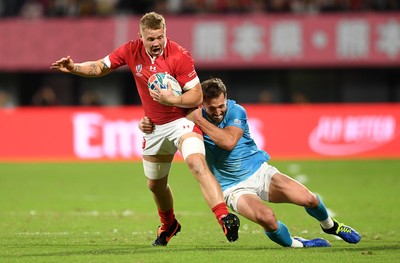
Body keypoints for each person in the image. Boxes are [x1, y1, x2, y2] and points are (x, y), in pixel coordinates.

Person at [50, 12, 239, 246]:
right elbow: (100, 67)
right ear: (141, 37)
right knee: (155, 185)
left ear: (165, 33)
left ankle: (223, 216)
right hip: (154, 127)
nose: (156, 43)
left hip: (183, 121)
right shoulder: (131, 50)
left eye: (160, 37)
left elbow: (196, 95)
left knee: (196, 163)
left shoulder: (179, 55)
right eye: (150, 39)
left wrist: (173, 101)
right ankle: (169, 224)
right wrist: (75, 67)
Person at [139, 77, 361, 248]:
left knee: (310, 199)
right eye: (211, 108)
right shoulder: (190, 118)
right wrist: (146, 124)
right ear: (200, 104)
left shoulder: (236, 110)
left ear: (226, 99)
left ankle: (331, 226)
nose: (217, 112)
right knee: (268, 219)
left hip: (260, 172)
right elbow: (163, 126)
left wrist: (198, 119)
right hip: (232, 188)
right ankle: (298, 244)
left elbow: (228, 142)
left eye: (221, 106)